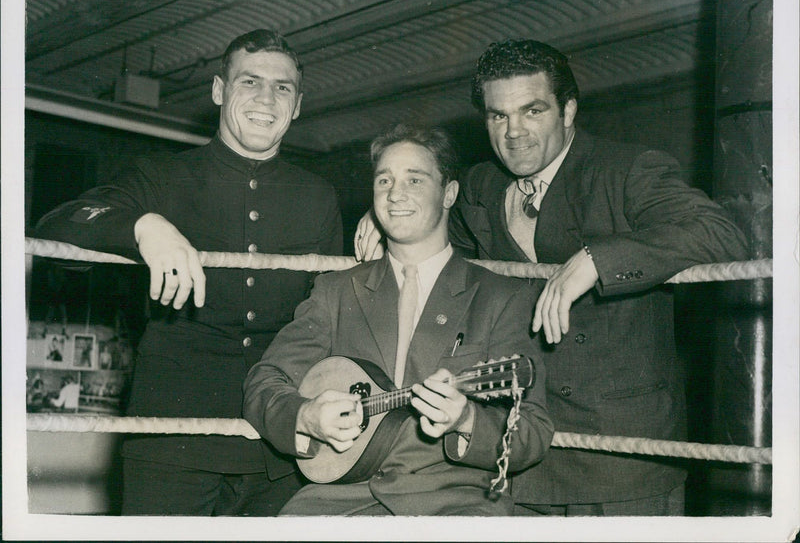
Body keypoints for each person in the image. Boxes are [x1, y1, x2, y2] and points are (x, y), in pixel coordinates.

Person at [354, 39, 749, 516]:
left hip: (621, 465)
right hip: (518, 457)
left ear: (568, 111)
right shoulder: (482, 185)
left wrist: (596, 260)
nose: (513, 132)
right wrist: (389, 219)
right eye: (498, 116)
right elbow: (437, 223)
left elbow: (722, 234)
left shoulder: (625, 170)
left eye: (532, 111)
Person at [34, 29, 343, 516]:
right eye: (249, 82)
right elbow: (55, 228)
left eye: (282, 88)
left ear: (298, 104)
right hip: (171, 445)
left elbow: (330, 319)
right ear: (219, 91)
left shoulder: (318, 198)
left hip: (280, 452)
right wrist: (142, 225)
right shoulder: (161, 176)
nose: (267, 98)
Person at [243, 124, 553, 516]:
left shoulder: (501, 296)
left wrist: (466, 418)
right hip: (340, 499)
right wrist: (305, 416)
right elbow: (264, 381)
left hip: (456, 503)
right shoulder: (335, 291)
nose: (395, 193)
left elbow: (533, 430)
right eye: (384, 179)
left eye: (415, 179)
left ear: (449, 194)